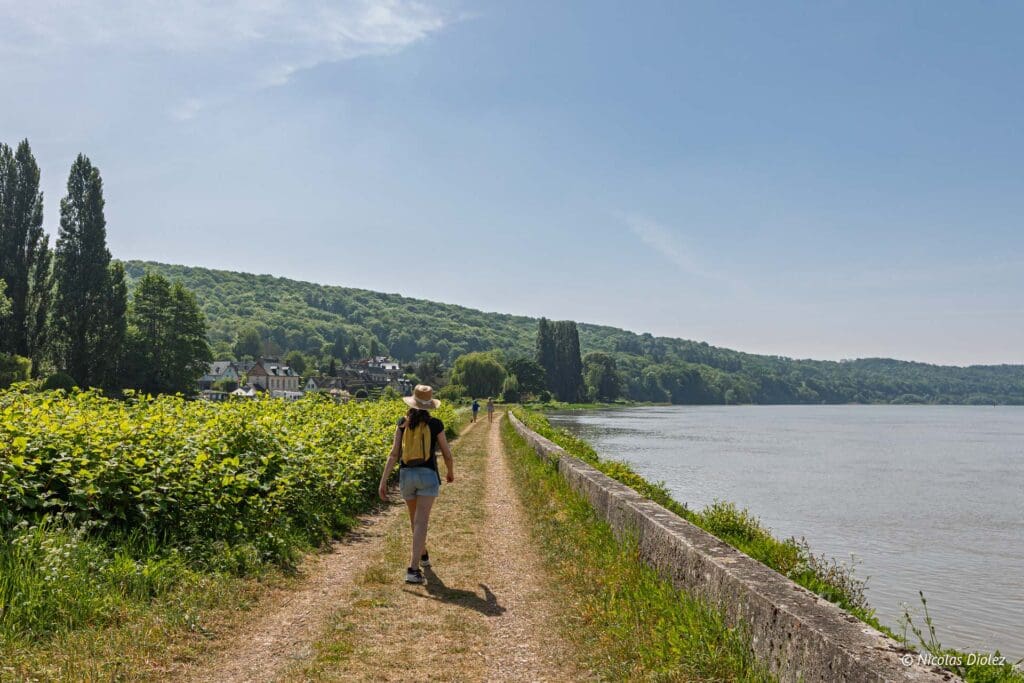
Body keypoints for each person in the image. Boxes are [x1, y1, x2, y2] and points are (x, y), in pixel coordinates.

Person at [378, 384, 454, 584]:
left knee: (415, 521)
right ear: (429, 405)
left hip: (406, 476)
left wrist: (383, 481)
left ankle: (423, 554)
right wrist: (450, 472)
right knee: (421, 522)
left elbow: (394, 454)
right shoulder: (436, 424)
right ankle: (413, 568)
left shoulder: (402, 423)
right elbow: (446, 452)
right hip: (427, 476)